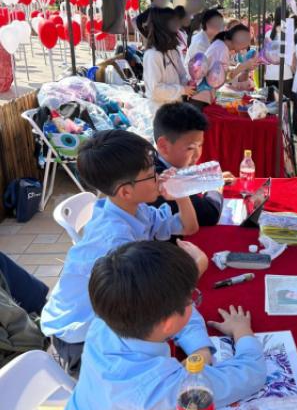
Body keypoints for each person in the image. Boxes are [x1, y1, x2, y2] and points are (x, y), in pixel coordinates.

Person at [49, 240, 267, 410]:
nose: (193, 302)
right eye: (191, 297)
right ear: (168, 322)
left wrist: (200, 348)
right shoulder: (158, 386)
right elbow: (251, 374)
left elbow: (176, 312)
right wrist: (242, 331)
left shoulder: (106, 320)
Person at [41, 130, 202, 377]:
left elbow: (189, 227)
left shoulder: (133, 209)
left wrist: (181, 195)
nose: (159, 177)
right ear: (126, 191)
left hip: (111, 312)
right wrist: (197, 267)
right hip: (80, 339)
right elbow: (152, 299)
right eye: (152, 173)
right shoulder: (114, 240)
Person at [151, 102, 226, 227]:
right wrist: (214, 187)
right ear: (164, 146)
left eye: (200, 145)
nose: (197, 154)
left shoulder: (160, 162)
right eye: (190, 148)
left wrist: (206, 177)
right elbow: (210, 214)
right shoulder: (161, 179)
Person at [189, 24, 256, 109]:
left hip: (203, 96)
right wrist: (242, 66)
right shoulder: (221, 49)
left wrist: (243, 68)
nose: (244, 49)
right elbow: (221, 79)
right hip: (201, 98)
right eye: (245, 44)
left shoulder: (221, 46)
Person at [143, 8, 195, 111]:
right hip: (161, 111)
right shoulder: (152, 55)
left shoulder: (173, 50)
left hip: (176, 108)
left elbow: (181, 75)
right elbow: (155, 90)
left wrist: (188, 84)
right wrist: (182, 90)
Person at [265, 6, 294, 98]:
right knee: (284, 105)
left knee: (271, 105)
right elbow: (291, 57)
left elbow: (266, 57)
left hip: (270, 75)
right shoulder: (288, 34)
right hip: (285, 74)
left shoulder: (268, 34)